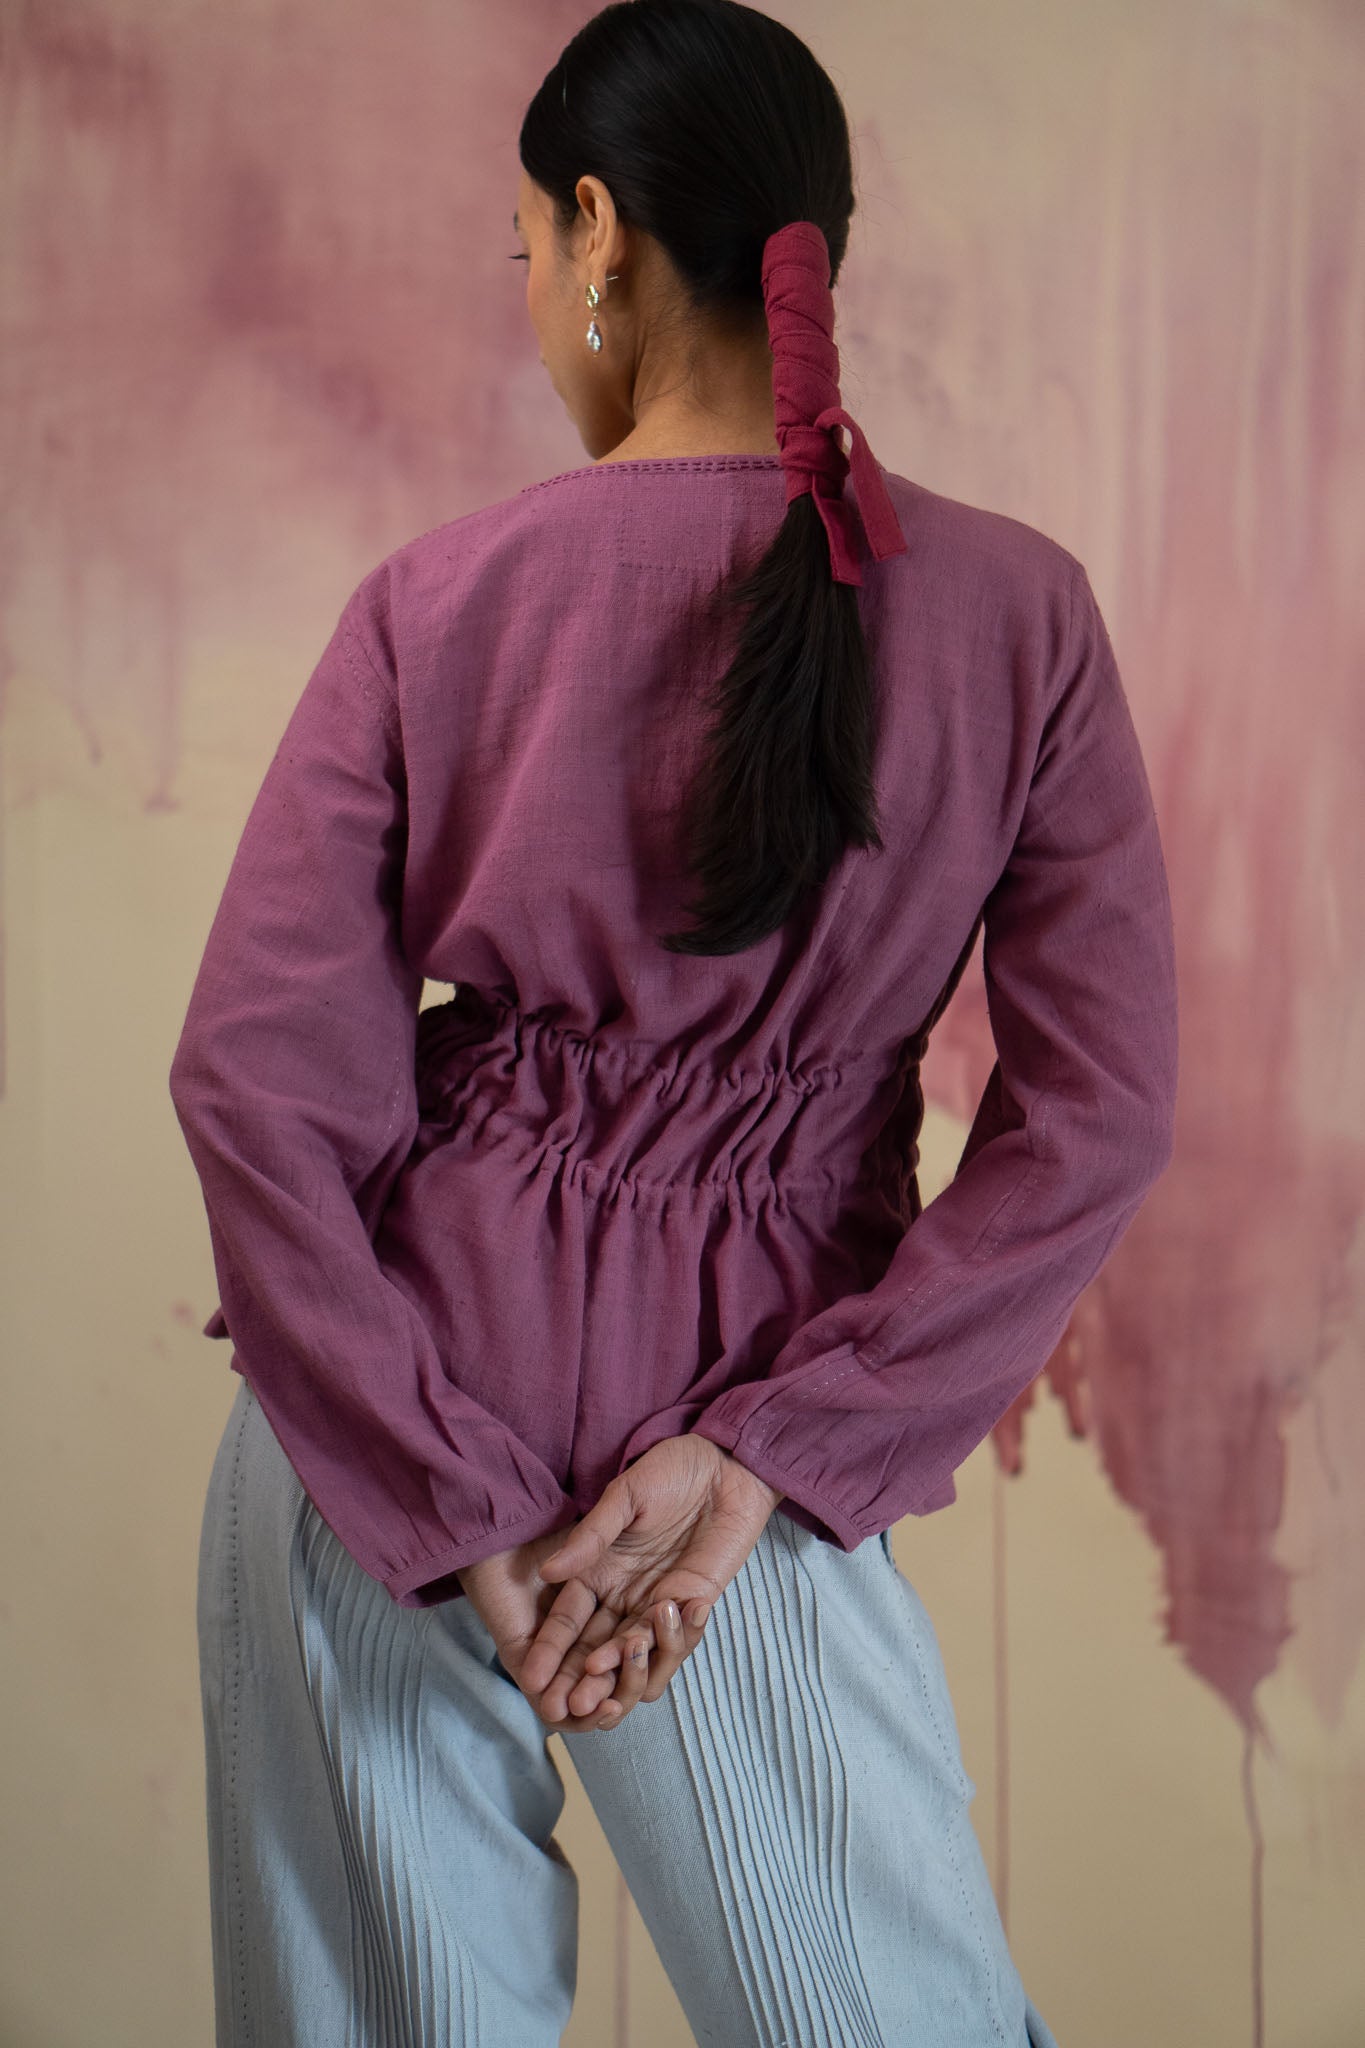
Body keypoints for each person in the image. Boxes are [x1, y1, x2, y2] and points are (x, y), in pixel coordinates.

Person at [169, 3, 1178, 2042]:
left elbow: (259, 1086)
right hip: (749, 1423)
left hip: (375, 1420)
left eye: (524, 246)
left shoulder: (433, 600)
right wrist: (774, 1452)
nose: (532, 290)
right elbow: (1098, 1113)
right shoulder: (1021, 612)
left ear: (599, 235)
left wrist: (437, 1490)